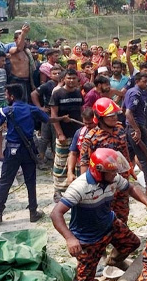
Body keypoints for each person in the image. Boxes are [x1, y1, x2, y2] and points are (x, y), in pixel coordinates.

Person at [52, 148, 147, 281]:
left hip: (109, 225)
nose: (115, 176)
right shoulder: (80, 187)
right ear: (98, 171)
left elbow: (131, 188)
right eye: (111, 173)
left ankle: (112, 261)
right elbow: (56, 214)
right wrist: (70, 239)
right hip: (87, 240)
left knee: (133, 243)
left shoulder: (111, 178)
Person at [0, 84, 69, 224]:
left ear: (12, 96)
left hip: (13, 150)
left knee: (5, 182)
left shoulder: (6, 111)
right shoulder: (32, 109)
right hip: (29, 151)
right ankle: (33, 212)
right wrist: (62, 118)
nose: (5, 96)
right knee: (31, 182)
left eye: (6, 94)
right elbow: (48, 119)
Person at [79, 98, 134, 222]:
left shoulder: (120, 129)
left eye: (115, 114)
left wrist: (129, 168)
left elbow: (124, 151)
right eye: (110, 116)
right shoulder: (91, 138)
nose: (115, 118)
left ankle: (122, 234)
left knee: (123, 212)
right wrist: (85, 186)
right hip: (103, 183)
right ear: (100, 118)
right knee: (104, 213)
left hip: (121, 178)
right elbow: (84, 161)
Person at [50, 69, 84, 202]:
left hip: (77, 133)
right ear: (64, 79)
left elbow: (81, 112)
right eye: (68, 78)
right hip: (63, 134)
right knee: (61, 162)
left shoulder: (78, 93)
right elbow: (53, 116)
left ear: (77, 79)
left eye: (73, 78)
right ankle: (57, 191)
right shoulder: (57, 94)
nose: (71, 80)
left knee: (75, 162)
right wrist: (60, 133)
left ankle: (73, 189)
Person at [123, 72, 147, 179]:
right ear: (137, 82)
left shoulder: (131, 92)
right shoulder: (136, 94)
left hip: (130, 128)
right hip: (135, 129)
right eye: (144, 82)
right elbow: (128, 112)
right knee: (144, 158)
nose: (146, 84)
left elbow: (123, 109)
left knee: (128, 156)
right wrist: (137, 129)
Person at [67, 108, 96, 185]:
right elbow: (73, 153)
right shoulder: (79, 133)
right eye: (85, 123)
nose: (87, 126)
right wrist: (70, 172)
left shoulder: (103, 134)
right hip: (83, 169)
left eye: (90, 123)